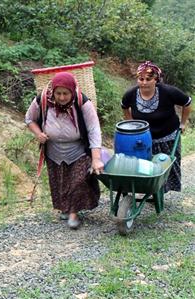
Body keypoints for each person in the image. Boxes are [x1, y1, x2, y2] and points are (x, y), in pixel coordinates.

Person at [25, 72, 104, 229]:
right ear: (53, 91)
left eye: (66, 93)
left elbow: (94, 130)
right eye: (58, 93)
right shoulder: (42, 100)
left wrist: (96, 158)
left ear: (72, 92)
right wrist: (38, 133)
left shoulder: (83, 103)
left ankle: (73, 213)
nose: (61, 97)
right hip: (53, 151)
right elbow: (29, 119)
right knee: (60, 182)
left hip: (79, 150)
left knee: (78, 181)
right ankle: (65, 208)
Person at [121, 61, 192, 192]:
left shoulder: (168, 92)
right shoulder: (131, 94)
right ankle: (149, 189)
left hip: (167, 136)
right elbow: (124, 107)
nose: (144, 82)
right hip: (144, 138)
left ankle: (162, 191)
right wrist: (131, 124)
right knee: (145, 166)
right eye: (141, 79)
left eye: (148, 79)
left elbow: (187, 103)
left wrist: (183, 123)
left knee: (167, 165)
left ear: (156, 80)